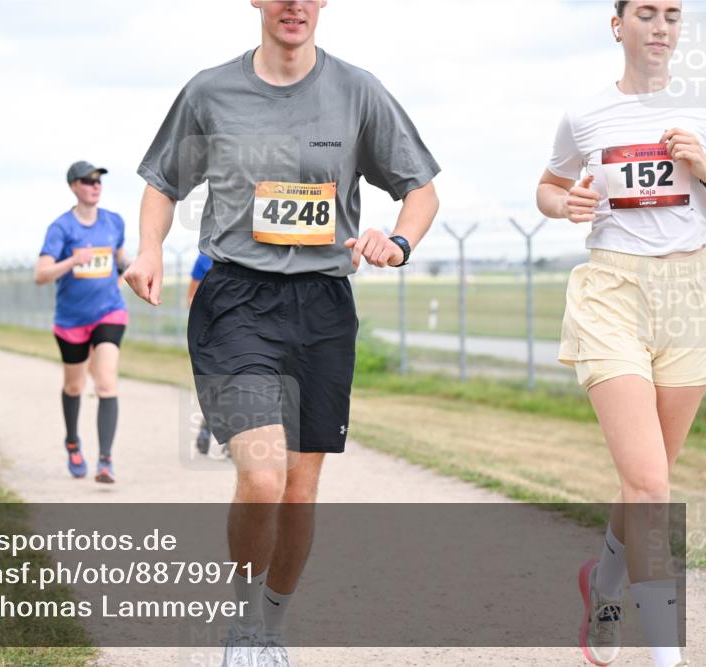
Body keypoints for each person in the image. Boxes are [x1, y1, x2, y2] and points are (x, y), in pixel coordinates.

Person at [125, 2, 440, 664]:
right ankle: (241, 625)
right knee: (263, 475)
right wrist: (150, 248)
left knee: (299, 489)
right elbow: (162, 182)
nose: (294, 4)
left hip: (323, 307)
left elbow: (421, 189)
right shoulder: (210, 91)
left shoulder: (357, 90)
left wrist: (399, 240)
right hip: (236, 299)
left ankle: (271, 624)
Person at [537, 2, 704, 665]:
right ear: (618, 25)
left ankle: (602, 587)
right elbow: (548, 187)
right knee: (651, 485)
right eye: (646, 13)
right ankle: (668, 658)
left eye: (672, 14)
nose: (660, 27)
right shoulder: (585, 114)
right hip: (612, 291)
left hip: (691, 297)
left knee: (648, 480)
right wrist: (564, 202)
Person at [36, 161, 130, 484]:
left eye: (99, 180)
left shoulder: (114, 222)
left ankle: (105, 461)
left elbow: (120, 259)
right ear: (74, 186)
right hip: (71, 319)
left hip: (109, 312)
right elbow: (41, 274)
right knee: (75, 385)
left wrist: (133, 271)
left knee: (106, 382)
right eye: (89, 181)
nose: (96, 185)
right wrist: (73, 260)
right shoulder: (61, 228)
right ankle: (72, 441)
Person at [187, 251, 220, 457]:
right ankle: (208, 427)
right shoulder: (204, 258)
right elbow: (191, 298)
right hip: (213, 329)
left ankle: (234, 441)